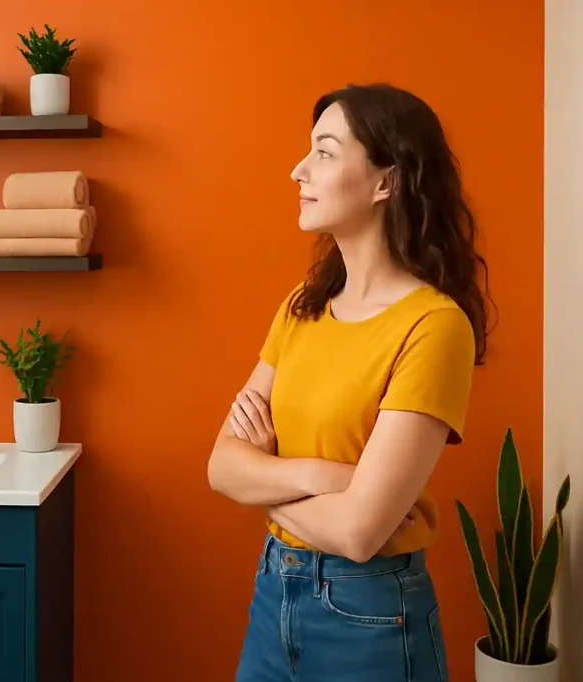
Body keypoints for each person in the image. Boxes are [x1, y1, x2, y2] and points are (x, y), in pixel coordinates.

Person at [207, 82, 491, 682]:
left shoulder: (434, 327)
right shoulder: (301, 307)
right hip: (272, 595)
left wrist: (266, 485)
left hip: (367, 616)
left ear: (385, 182)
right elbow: (220, 467)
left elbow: (360, 533)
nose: (298, 169)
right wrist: (325, 477)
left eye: (325, 152)